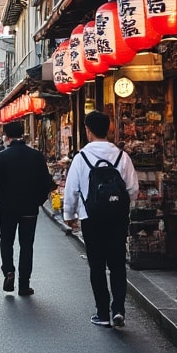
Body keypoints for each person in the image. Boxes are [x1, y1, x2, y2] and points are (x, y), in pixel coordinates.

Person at [62, 111, 138, 329]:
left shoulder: (81, 157)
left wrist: (70, 215)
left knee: (96, 265)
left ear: (88, 130)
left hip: (91, 218)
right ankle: (119, 310)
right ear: (109, 130)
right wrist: (119, 204)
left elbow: (72, 190)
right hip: (117, 218)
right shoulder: (122, 157)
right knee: (117, 264)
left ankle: (103, 313)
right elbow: (132, 189)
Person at [0, 120, 57, 296]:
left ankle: (9, 271)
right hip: (29, 208)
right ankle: (24, 284)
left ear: (7, 137)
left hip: (8, 207)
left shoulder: (2, 156)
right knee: (27, 245)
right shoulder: (36, 156)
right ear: (23, 135)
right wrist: (38, 201)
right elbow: (47, 183)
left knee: (6, 241)